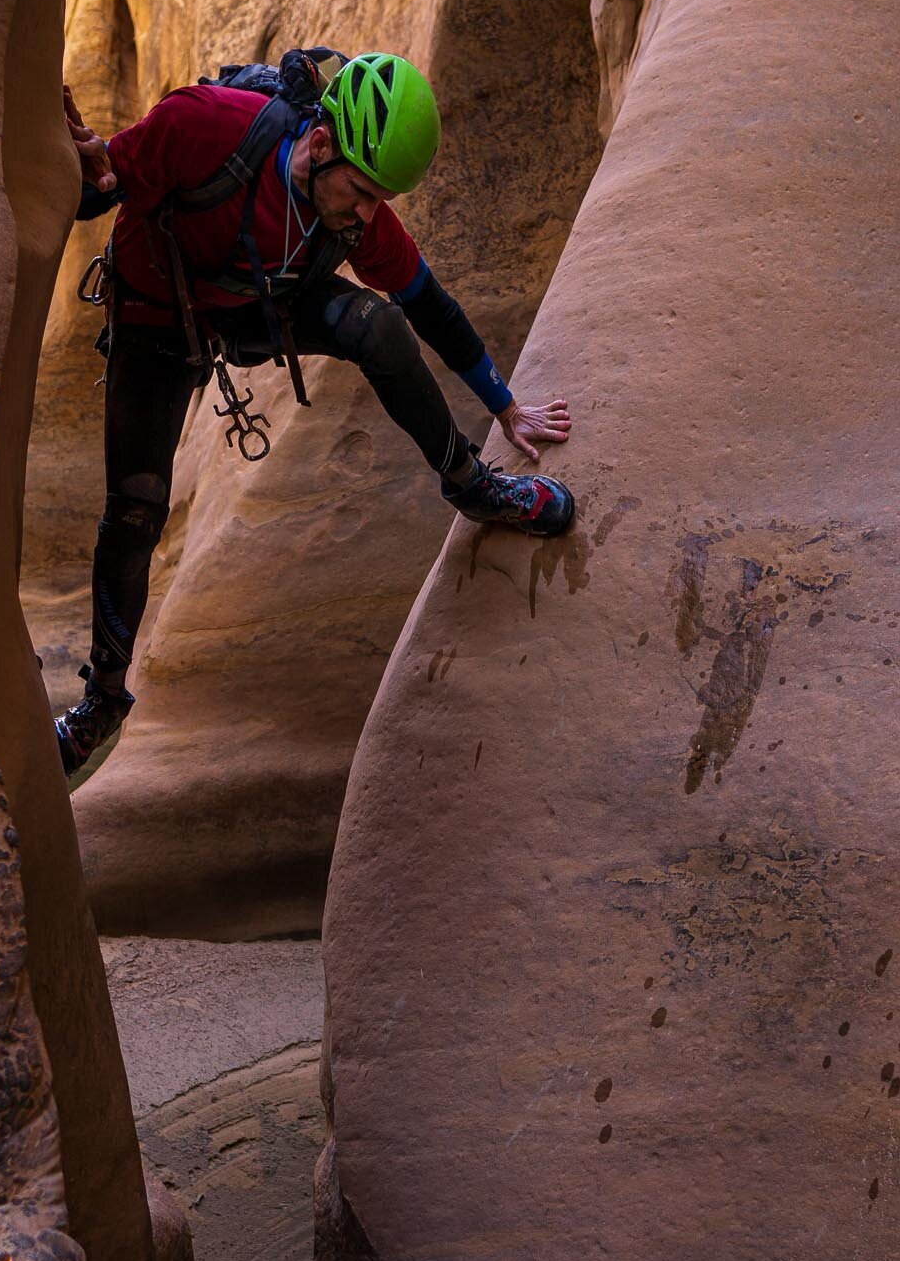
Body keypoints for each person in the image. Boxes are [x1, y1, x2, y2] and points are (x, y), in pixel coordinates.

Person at [54, 50, 576, 778]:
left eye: (377, 201)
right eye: (360, 194)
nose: (366, 216)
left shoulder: (359, 215)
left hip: (255, 310)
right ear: (322, 141)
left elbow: (431, 309)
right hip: (155, 315)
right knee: (136, 510)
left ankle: (471, 484)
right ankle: (102, 703)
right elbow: (97, 189)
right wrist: (78, 168)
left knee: (381, 324)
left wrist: (507, 406)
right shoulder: (205, 125)